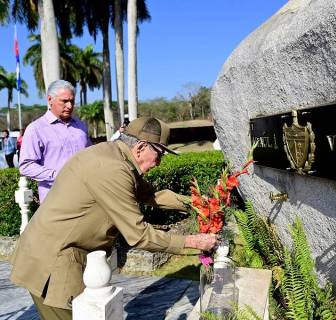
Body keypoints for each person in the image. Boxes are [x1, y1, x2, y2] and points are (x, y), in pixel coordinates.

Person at [10, 117, 218, 319]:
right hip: (53, 261)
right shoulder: (113, 169)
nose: (159, 162)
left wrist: (199, 203)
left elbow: (152, 195)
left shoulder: (117, 156)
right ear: (141, 147)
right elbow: (139, 235)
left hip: (63, 253)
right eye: (159, 154)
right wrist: (193, 241)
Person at [19, 80, 91, 202]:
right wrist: (57, 176)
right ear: (50, 99)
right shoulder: (36, 129)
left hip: (86, 197)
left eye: (72, 101)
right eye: (64, 101)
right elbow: (26, 166)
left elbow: (90, 155)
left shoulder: (81, 126)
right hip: (55, 201)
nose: (69, 105)